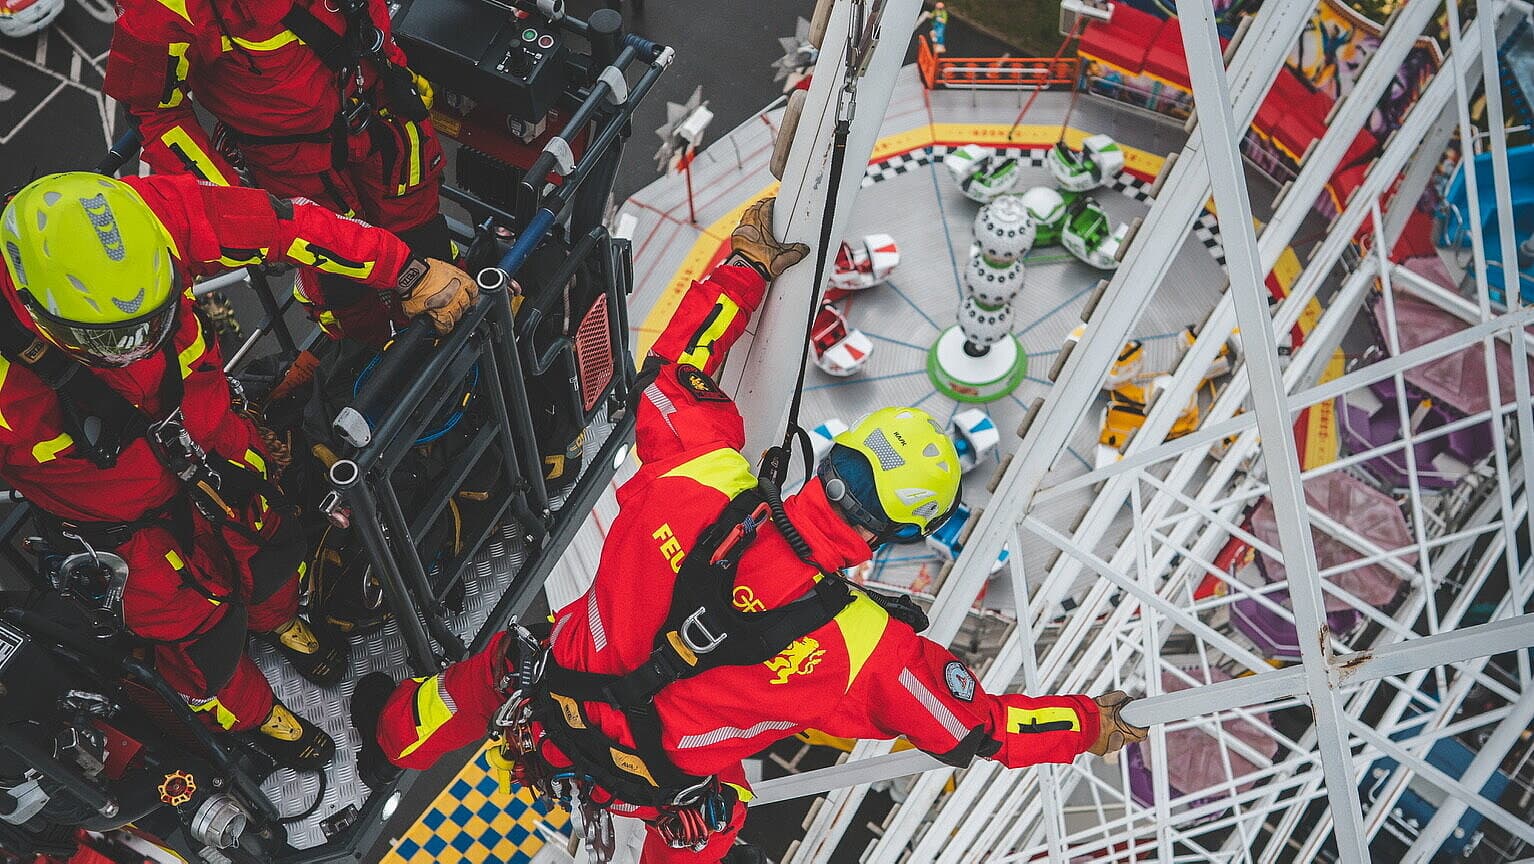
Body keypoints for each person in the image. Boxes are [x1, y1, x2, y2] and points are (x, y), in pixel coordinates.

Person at [357, 197, 1147, 860]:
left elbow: (674, 372)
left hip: (547, 699)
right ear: (899, 531)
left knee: (485, 671)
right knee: (715, 812)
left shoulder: (702, 474)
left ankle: (390, 737)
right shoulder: (865, 650)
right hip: (646, 788)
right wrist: (1092, 725)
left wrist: (744, 266)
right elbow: (974, 728)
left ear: (838, 461)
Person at [0, 171, 475, 769]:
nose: (143, 347)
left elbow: (291, 224)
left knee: (273, 548)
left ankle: (281, 623)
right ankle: (256, 716)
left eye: (155, 322)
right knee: (199, 643)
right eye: (120, 338)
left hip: (223, 453)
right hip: (129, 539)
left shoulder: (154, 217)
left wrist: (406, 271)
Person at [103, 0, 450, 346]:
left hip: (387, 120)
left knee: (428, 244)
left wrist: (395, 65)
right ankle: (373, 356)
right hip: (296, 166)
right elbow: (154, 111)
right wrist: (229, 197)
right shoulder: (165, 7)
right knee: (344, 285)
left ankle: (449, 346)